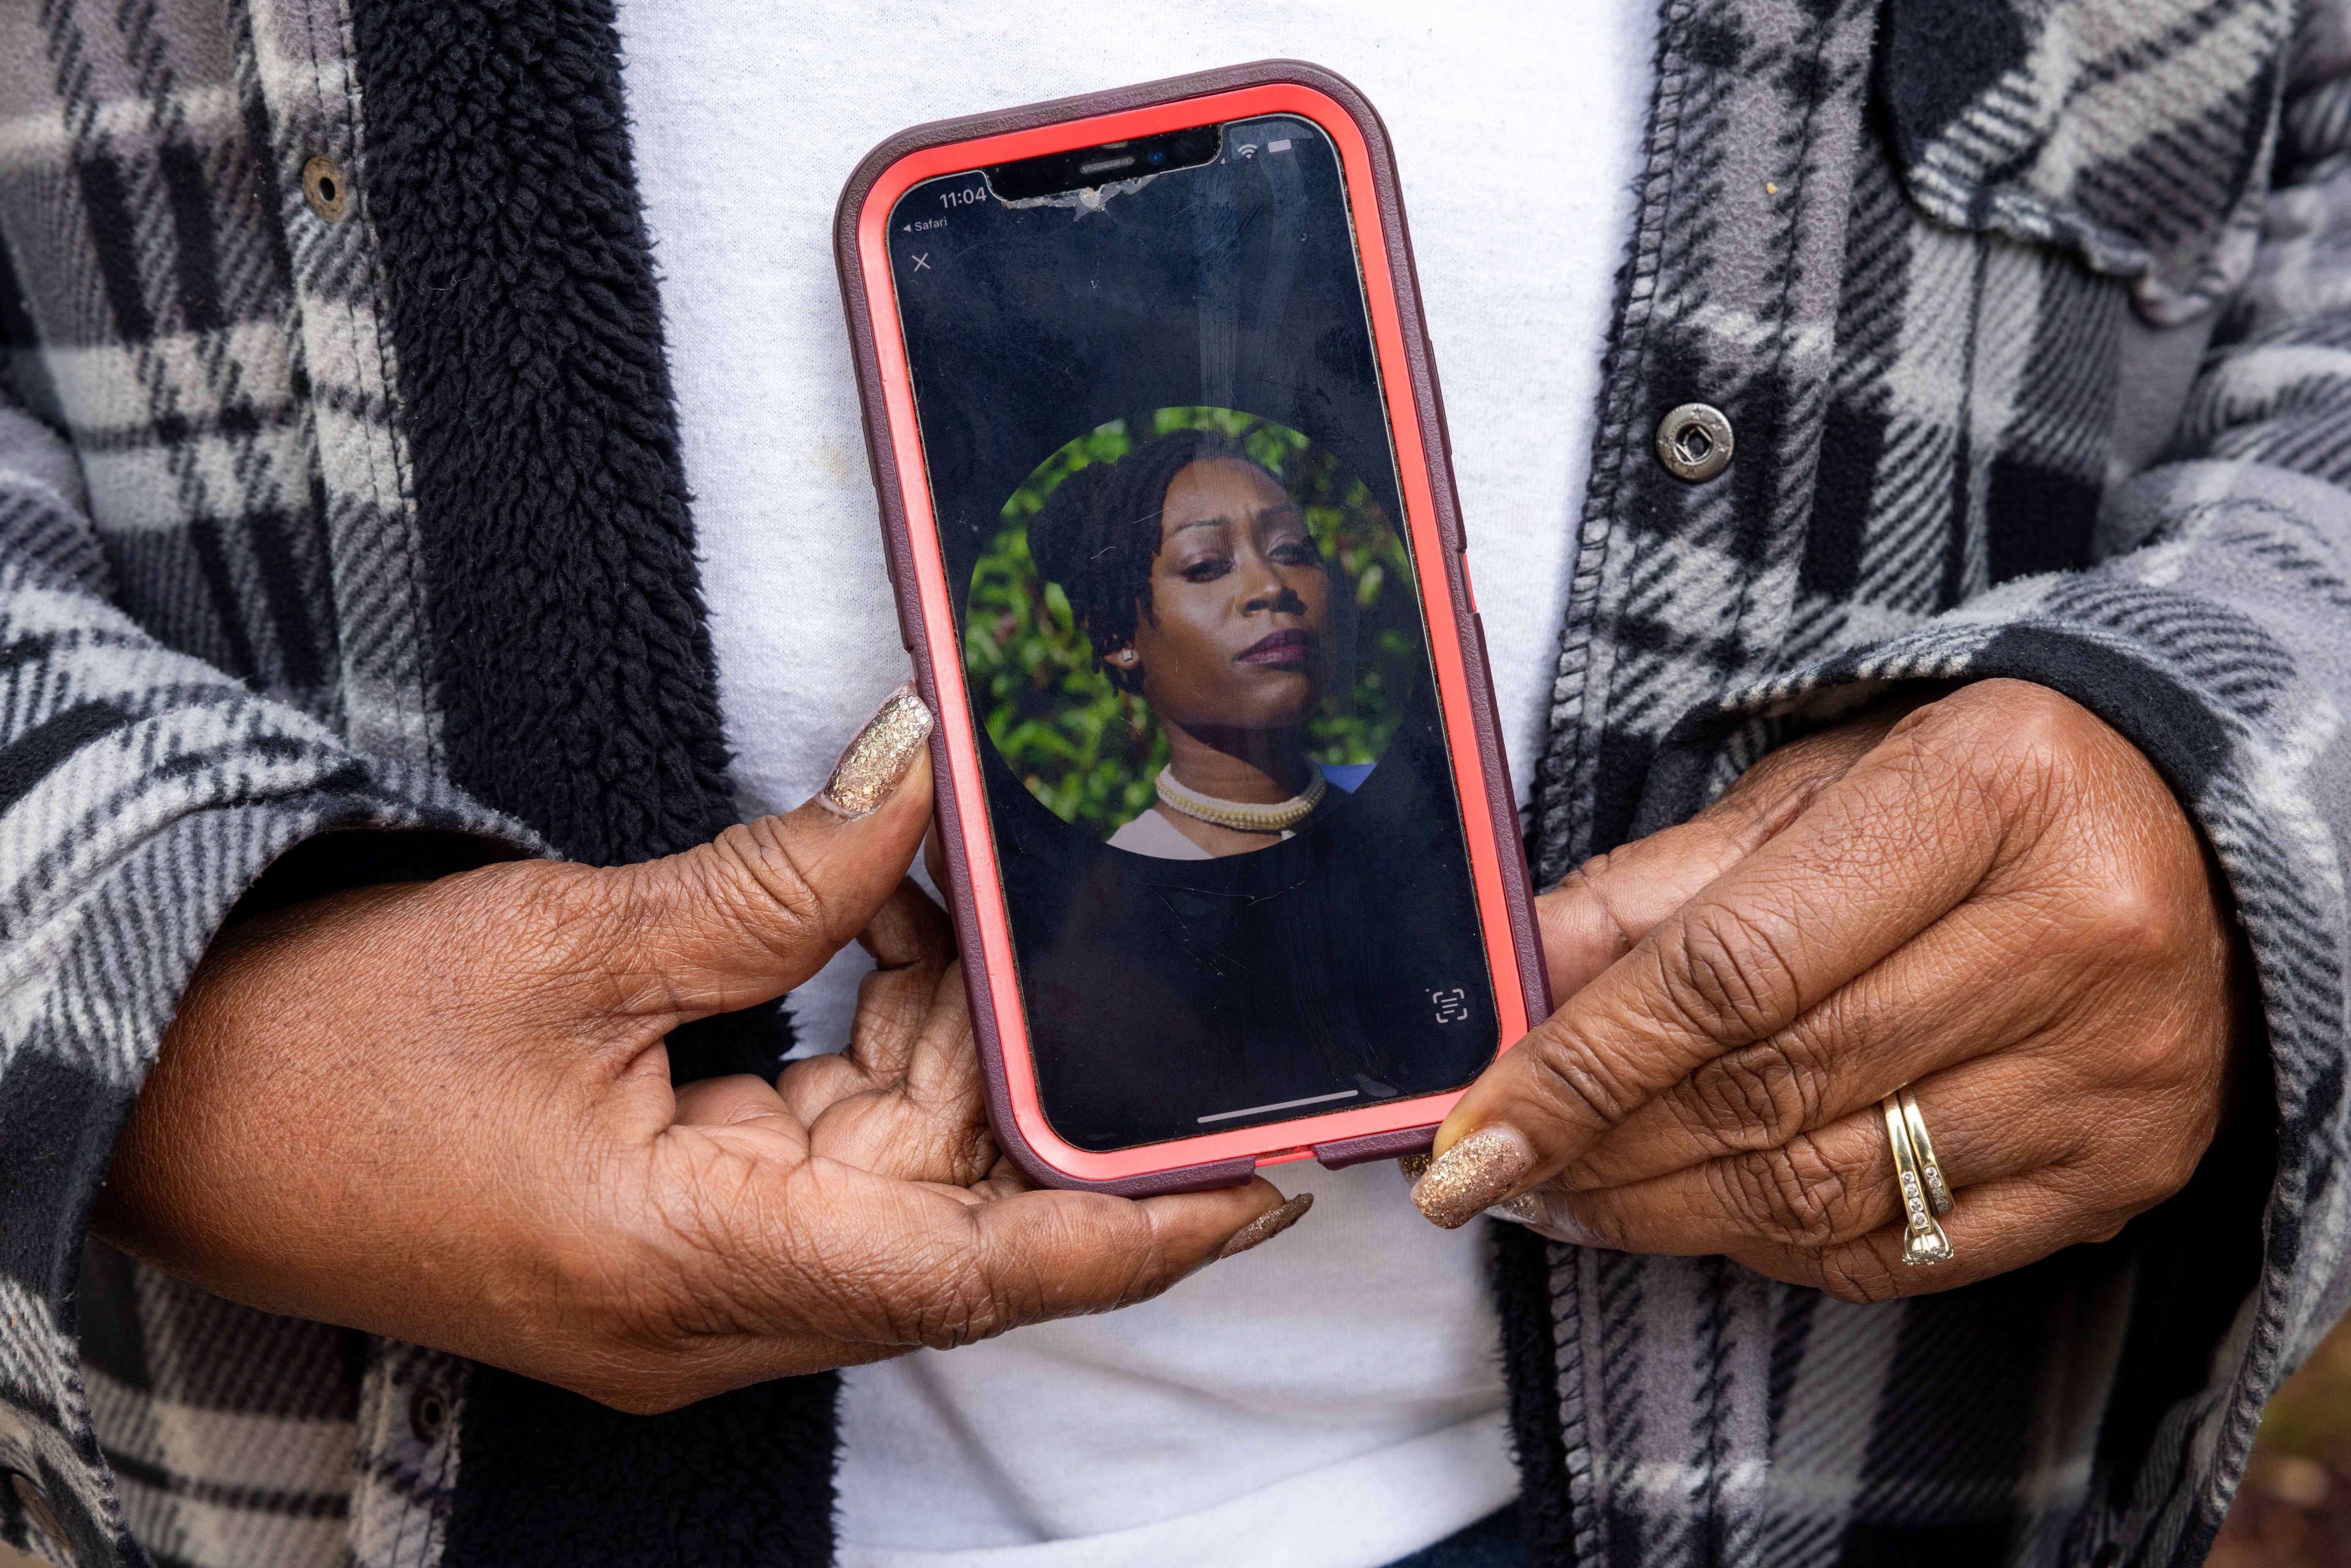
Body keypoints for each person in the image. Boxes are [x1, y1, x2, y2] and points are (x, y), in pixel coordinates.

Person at [2, 4, 2348, 1568]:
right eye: (1200, 554)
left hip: (1843, 1462)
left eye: (1283, 539)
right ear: (1113, 623)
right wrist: (180, 1014)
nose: (1275, 591)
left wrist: (2230, 791)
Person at [1026, 428, 1365, 860]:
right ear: (1118, 636)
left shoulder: (1414, 806)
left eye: (1291, 551)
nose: (1270, 584)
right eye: (1206, 566)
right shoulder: (1122, 895)